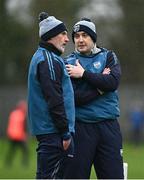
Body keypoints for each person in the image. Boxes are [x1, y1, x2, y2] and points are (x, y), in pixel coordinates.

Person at [64, 18, 124, 179]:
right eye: (76, 36)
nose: (80, 40)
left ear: (93, 37)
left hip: (108, 128)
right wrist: (99, 89)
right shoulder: (68, 63)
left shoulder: (108, 56)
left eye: (85, 35)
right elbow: (74, 98)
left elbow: (112, 82)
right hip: (81, 128)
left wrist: (83, 74)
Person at [27, 12, 75, 179]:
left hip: (51, 133)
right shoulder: (48, 60)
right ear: (51, 36)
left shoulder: (45, 57)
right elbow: (54, 99)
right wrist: (65, 133)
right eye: (63, 34)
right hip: (55, 134)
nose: (67, 39)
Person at [5, 100, 29, 167]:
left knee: (12, 150)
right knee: (25, 150)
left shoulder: (13, 113)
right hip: (19, 136)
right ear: (21, 107)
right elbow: (24, 127)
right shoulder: (22, 115)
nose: (25, 108)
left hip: (12, 135)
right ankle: (25, 164)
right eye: (24, 107)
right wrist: (25, 136)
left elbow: (10, 124)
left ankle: (8, 163)